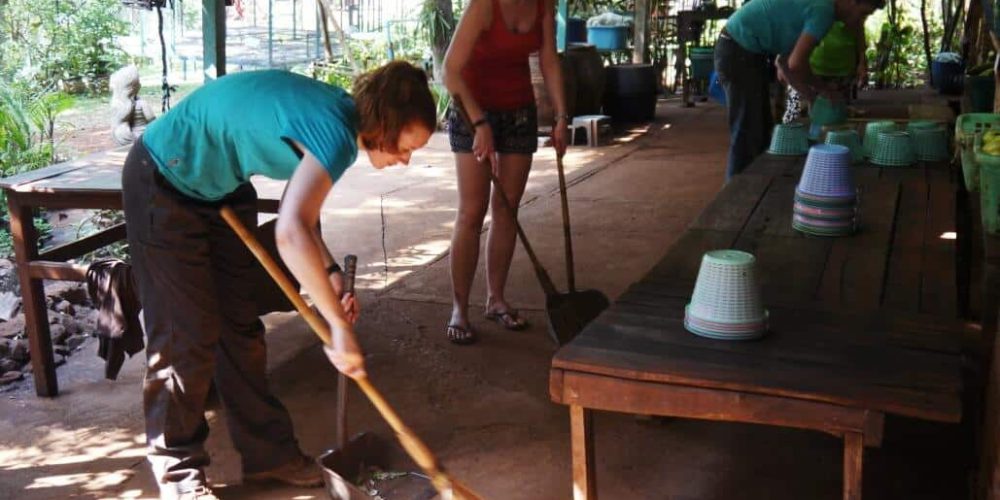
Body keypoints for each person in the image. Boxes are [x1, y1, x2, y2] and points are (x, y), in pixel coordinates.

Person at [122, 61, 436, 499]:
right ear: (387, 121)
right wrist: (338, 331)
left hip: (220, 188)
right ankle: (179, 476)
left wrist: (328, 274)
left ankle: (269, 457)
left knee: (241, 330)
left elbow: (301, 222)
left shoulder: (339, 118)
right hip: (163, 176)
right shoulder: (335, 134)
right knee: (184, 338)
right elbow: (289, 232)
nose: (404, 159)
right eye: (408, 147)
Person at [442, 0, 568, 345]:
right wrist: (480, 123)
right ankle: (459, 309)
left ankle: (495, 299)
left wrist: (560, 116)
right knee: (471, 211)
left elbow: (549, 59)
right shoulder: (484, 6)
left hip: (518, 111)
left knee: (507, 209)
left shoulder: (543, 5)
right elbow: (450, 70)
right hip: (472, 108)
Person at [714, 0, 883, 180]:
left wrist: (811, 95)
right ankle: (735, 197)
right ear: (852, 2)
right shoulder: (823, 10)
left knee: (759, 130)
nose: (861, 20)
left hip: (742, 51)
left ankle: (750, 188)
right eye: (863, 13)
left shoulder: (819, 8)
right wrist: (823, 88)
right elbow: (796, 64)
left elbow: (784, 63)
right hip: (738, 51)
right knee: (747, 133)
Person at [781, 21, 867, 124]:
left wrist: (862, 64)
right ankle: (814, 134)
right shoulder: (818, 12)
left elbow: (861, 41)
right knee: (815, 109)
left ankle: (835, 137)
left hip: (843, 70)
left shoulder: (853, 14)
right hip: (816, 69)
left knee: (837, 110)